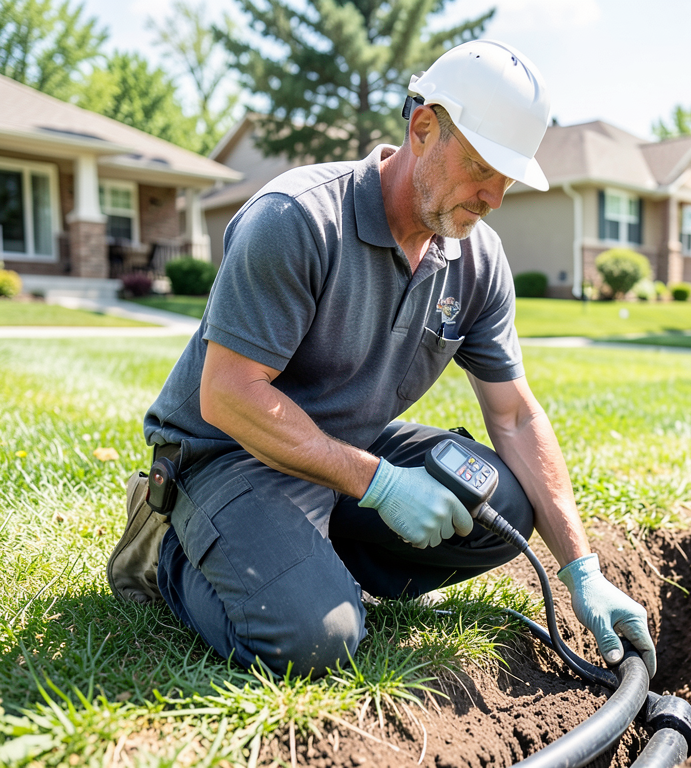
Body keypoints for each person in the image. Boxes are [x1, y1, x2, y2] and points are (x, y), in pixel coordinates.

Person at [107, 39, 656, 681]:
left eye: (507, 179)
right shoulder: (298, 218)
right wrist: (383, 484)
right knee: (317, 639)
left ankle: (305, 557)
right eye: (482, 168)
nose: (494, 197)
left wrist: (582, 572)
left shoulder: (476, 259)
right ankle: (174, 553)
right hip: (229, 456)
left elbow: (513, 416)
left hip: (346, 451)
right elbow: (226, 394)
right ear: (424, 129)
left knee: (502, 506)